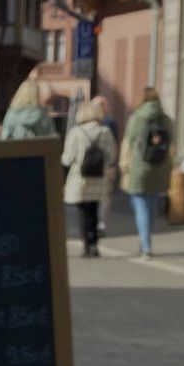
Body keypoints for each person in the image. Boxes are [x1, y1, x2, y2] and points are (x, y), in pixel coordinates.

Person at [121, 86, 175, 257]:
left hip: (139, 168)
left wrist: (124, 165)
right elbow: (172, 144)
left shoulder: (137, 118)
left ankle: (146, 246)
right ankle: (145, 240)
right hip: (160, 167)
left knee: (140, 205)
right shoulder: (166, 119)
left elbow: (128, 143)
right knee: (151, 204)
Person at [62, 95, 116, 258]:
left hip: (80, 178)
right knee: (94, 210)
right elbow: (111, 156)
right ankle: (94, 245)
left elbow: (67, 158)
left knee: (82, 212)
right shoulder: (105, 131)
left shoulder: (76, 132)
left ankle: (87, 244)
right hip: (99, 177)